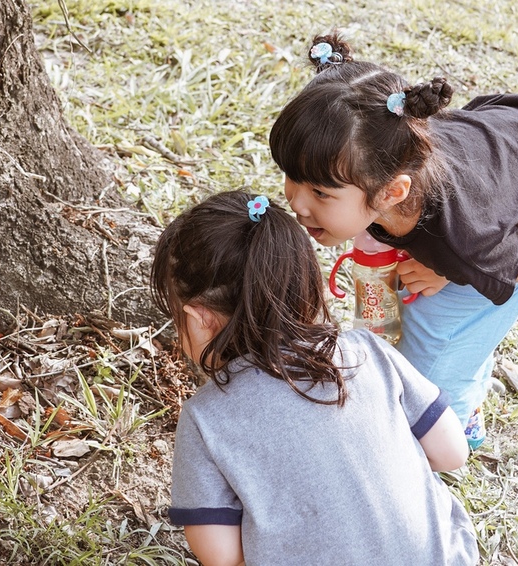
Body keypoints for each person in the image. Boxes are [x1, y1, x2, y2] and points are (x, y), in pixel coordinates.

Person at [269, 33, 518, 450]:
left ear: (391, 193)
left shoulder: (464, 241)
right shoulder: (383, 144)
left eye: (320, 193)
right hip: (509, 141)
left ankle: (459, 426)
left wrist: (452, 269)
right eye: (292, 177)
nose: (297, 204)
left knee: (436, 342)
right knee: (403, 288)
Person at [151, 190, 479, 566]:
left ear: (198, 318)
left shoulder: (205, 417)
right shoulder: (368, 352)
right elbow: (453, 452)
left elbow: (221, 556)